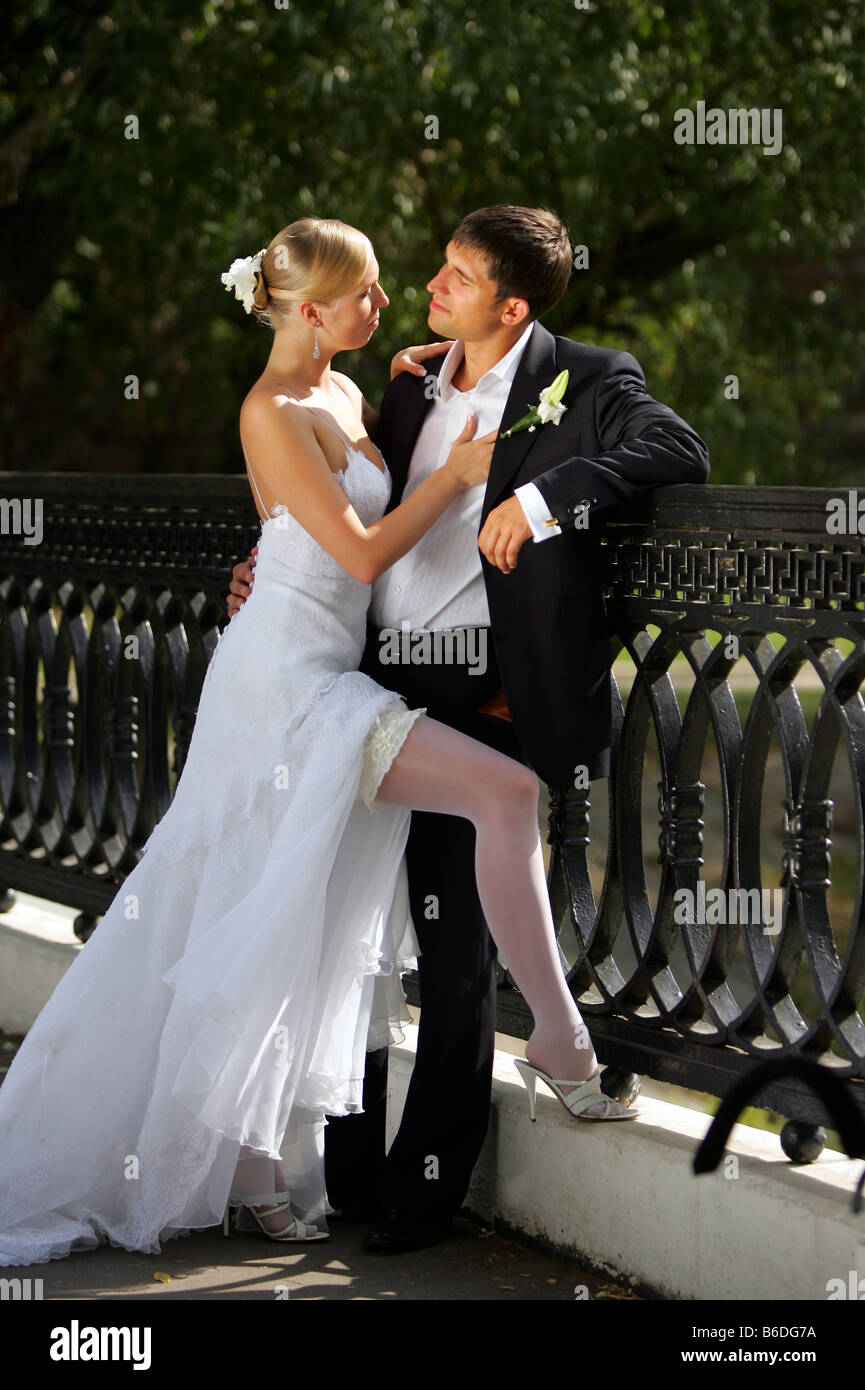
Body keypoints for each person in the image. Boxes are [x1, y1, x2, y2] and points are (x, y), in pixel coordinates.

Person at [0, 216, 636, 1270]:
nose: (389, 305)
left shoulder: (354, 391)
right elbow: (359, 544)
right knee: (479, 808)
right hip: (285, 688)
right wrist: (458, 475)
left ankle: (257, 1166)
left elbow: (289, 538)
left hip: (334, 671)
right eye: (368, 294)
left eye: (402, 287)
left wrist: (442, 384)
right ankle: (557, 1047)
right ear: (308, 311)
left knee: (281, 912)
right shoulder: (268, 409)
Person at [228, 204, 710, 1252]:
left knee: (451, 956)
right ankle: (346, 1175)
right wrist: (267, 562)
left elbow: (675, 444)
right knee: (356, 936)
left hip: (479, 696)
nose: (431, 286)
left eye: (456, 274)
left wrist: (539, 506)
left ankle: (418, 1196)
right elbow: (335, 501)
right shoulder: (403, 380)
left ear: (513, 304)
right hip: (364, 683)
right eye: (439, 266)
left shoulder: (580, 377)